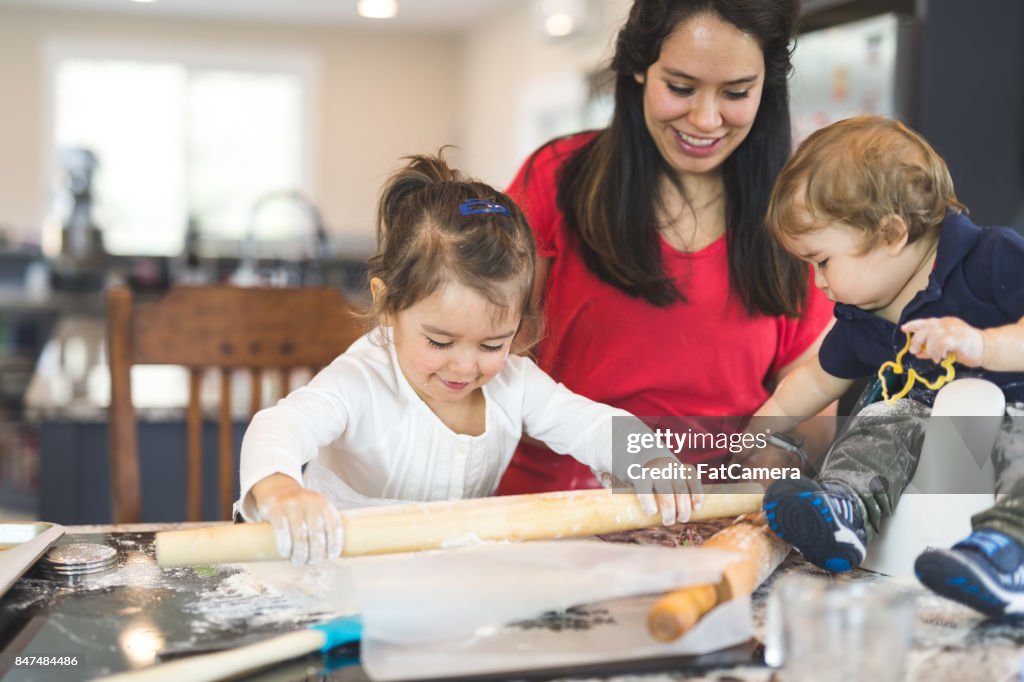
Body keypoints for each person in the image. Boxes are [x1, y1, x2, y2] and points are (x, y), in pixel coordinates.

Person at [235, 153, 703, 565]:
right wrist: (279, 489)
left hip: (443, 580)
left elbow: (589, 424)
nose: (465, 367)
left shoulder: (514, 384)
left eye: (492, 344)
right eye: (440, 342)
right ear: (389, 305)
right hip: (336, 573)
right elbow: (280, 426)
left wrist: (649, 458)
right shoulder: (363, 378)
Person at [496, 0, 836, 496]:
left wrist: (765, 467)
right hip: (556, 508)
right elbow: (489, 356)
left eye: (736, 92)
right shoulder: (555, 180)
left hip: (716, 513)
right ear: (639, 67)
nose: (705, 118)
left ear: (768, 86)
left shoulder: (793, 216)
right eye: (680, 88)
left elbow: (814, 399)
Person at [748, 116, 1024, 617]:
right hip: (929, 449)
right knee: (878, 424)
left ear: (891, 233)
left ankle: (1008, 552)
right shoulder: (863, 316)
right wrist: (756, 431)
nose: (818, 284)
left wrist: (982, 346)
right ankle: (843, 513)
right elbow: (813, 379)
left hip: (1016, 412)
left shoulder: (993, 259)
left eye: (822, 261)